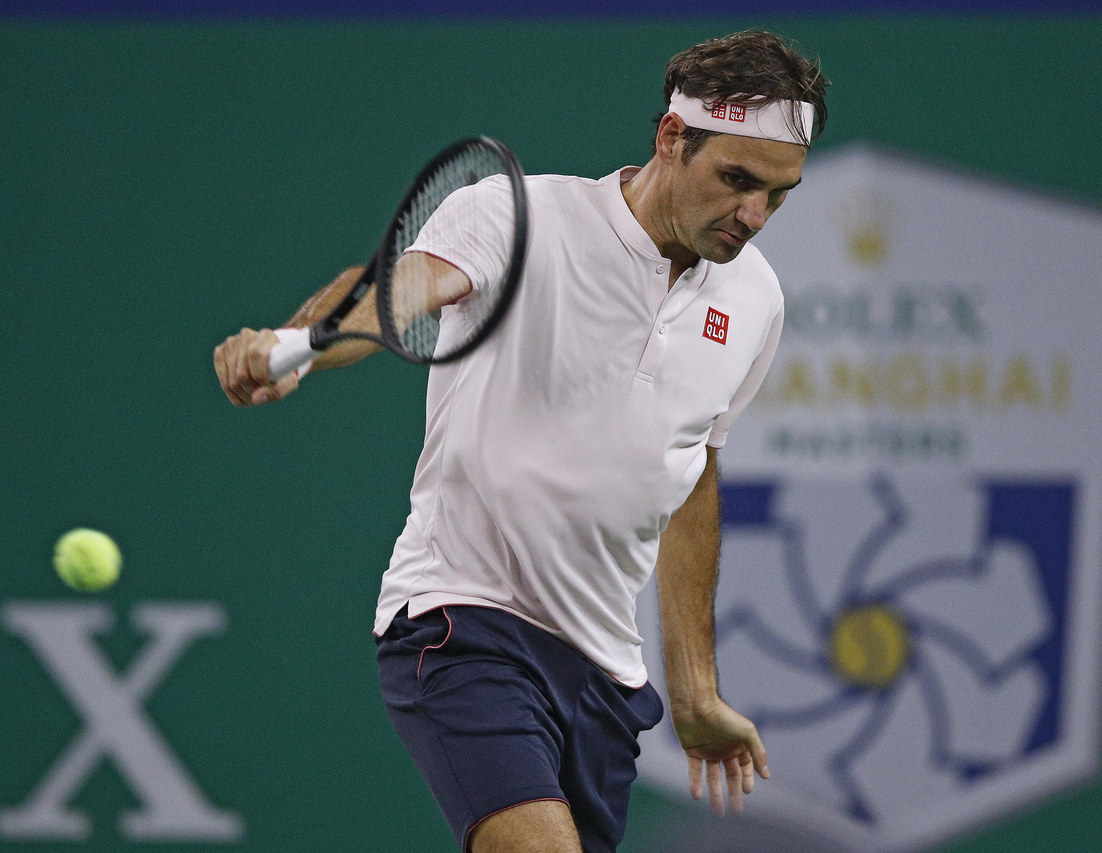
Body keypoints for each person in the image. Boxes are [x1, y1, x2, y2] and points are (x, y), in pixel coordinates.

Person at [214, 29, 828, 853]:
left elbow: (687, 475)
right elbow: (399, 291)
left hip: (604, 672)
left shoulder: (756, 301)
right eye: (738, 180)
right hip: (466, 620)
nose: (754, 216)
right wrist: (298, 345)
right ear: (671, 138)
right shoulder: (518, 217)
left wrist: (693, 690)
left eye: (778, 195)